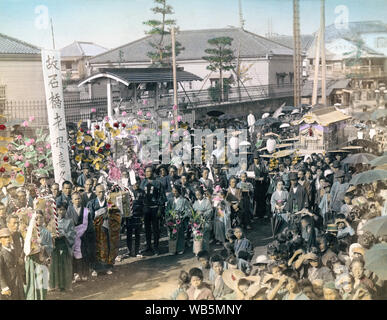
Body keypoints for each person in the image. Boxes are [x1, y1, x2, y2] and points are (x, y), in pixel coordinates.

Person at [24, 210, 53, 300]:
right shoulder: (29, 231)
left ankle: (41, 297)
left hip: (41, 259)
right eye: (36, 218)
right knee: (31, 279)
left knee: (41, 280)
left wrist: (44, 247)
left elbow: (50, 246)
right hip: (32, 259)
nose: (39, 219)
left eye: (41, 217)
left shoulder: (46, 232)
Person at [67, 192, 96, 280]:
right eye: (75, 199)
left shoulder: (86, 211)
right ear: (72, 200)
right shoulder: (69, 210)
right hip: (72, 236)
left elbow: (90, 224)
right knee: (73, 255)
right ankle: (75, 273)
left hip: (84, 236)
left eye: (79, 198)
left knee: (84, 254)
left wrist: (85, 233)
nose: (77, 200)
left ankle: (84, 273)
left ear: (81, 199)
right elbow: (67, 223)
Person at [140, 166, 166, 255]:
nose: (148, 173)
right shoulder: (142, 183)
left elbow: (162, 197)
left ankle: (156, 247)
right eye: (146, 172)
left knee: (155, 229)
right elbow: (140, 196)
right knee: (147, 229)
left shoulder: (158, 183)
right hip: (146, 209)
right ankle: (148, 246)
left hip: (155, 208)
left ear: (153, 172)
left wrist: (160, 209)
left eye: (150, 171)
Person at [49, 204, 75, 292]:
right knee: (56, 264)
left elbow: (72, 233)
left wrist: (64, 234)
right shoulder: (53, 221)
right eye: (59, 210)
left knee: (65, 264)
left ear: (66, 210)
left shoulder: (69, 221)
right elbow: (49, 232)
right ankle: (56, 284)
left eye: (63, 210)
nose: (61, 212)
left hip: (64, 244)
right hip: (55, 245)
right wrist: (52, 235)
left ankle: (66, 285)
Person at [166, 185, 192, 255]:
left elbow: (188, 210)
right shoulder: (170, 200)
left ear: (179, 192)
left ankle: (180, 248)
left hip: (180, 219)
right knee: (172, 234)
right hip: (172, 219)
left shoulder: (184, 200)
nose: (174, 193)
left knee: (180, 234)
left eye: (176, 191)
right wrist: (170, 216)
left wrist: (182, 216)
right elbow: (167, 210)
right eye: (173, 191)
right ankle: (172, 249)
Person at [0, 228, 25, 300]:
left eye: (9, 237)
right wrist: (4, 287)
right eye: (5, 237)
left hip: (18, 282)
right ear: (0, 240)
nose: (8, 239)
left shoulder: (14, 250)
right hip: (8, 283)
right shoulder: (1, 254)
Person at [124, 178, 145, 257]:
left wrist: (142, 216)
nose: (136, 185)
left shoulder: (142, 192)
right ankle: (129, 251)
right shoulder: (127, 192)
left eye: (137, 183)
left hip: (138, 215)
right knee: (129, 234)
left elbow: (144, 204)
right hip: (129, 216)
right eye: (134, 183)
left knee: (137, 234)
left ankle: (137, 251)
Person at [6, 215, 25, 287]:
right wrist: (17, 258)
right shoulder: (4, 236)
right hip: (8, 268)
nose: (16, 225)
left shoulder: (19, 234)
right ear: (8, 224)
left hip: (19, 266)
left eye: (18, 223)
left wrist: (22, 257)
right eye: (14, 223)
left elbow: (23, 246)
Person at [248, 153, 267, 218]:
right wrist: (257, 178)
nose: (256, 160)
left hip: (262, 185)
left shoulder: (262, 166)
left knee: (262, 199)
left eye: (257, 159)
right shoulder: (251, 167)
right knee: (256, 200)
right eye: (255, 159)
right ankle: (255, 214)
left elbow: (265, 174)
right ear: (253, 159)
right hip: (255, 185)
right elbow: (249, 176)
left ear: (259, 159)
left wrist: (264, 178)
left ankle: (263, 213)